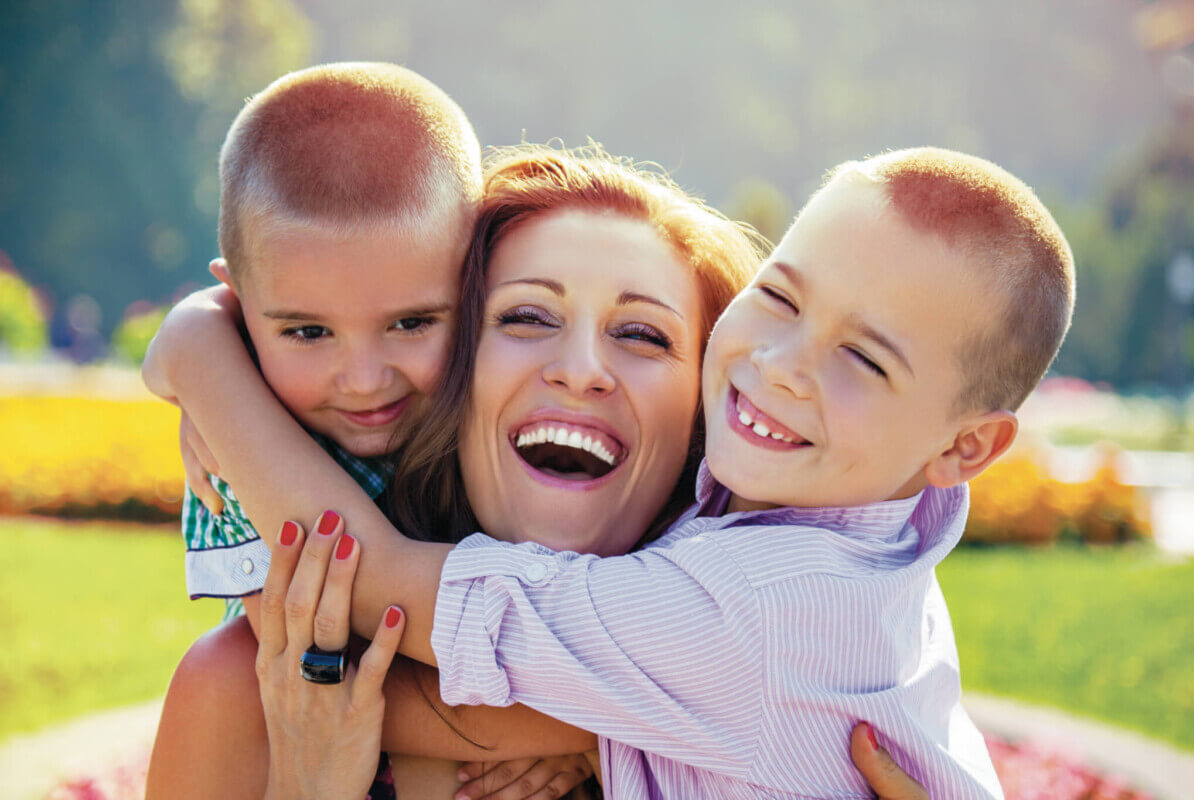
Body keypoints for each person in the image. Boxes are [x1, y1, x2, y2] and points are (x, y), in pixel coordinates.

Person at [145, 145, 935, 799]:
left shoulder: (774, 640)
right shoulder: (243, 692)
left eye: (643, 335)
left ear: (707, 406)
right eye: (526, 317)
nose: (582, 369)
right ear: (450, 368)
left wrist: (199, 353)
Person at [147, 64, 598, 798]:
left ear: (476, 282)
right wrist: (595, 731)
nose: (362, 380)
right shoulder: (243, 452)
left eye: (411, 323)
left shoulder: (513, 411)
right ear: (239, 301)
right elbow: (320, 674)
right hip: (314, 757)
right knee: (223, 667)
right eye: (307, 332)